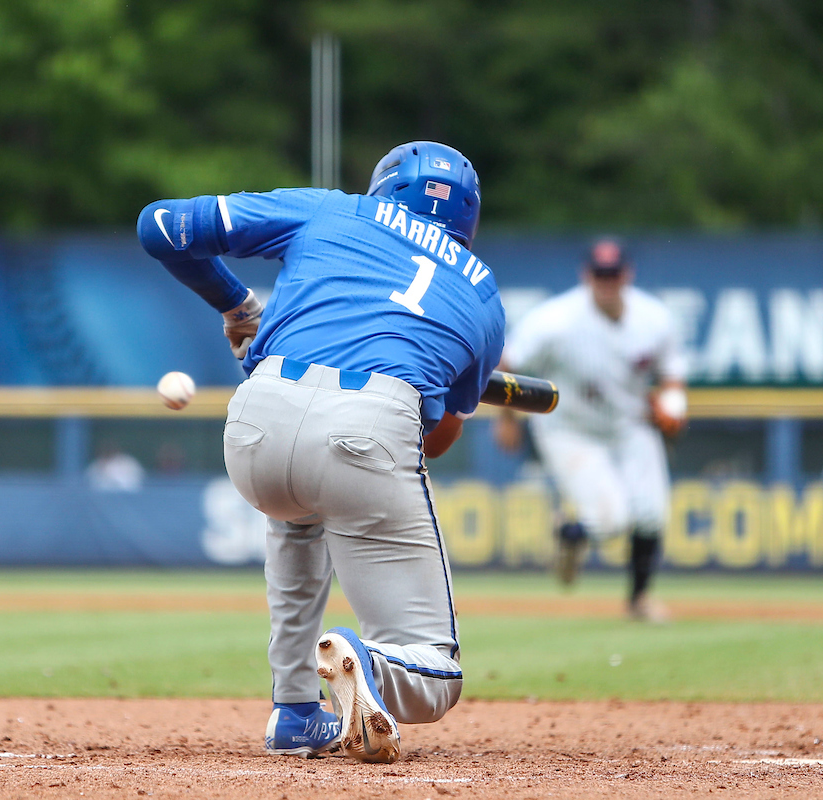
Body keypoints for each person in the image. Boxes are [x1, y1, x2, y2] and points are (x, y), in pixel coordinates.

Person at [136, 142, 505, 763]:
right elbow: (434, 439)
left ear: (383, 188)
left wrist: (237, 305)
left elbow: (162, 228)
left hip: (257, 419)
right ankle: (372, 666)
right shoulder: (483, 296)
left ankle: (296, 708)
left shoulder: (333, 211)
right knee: (436, 674)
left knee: (297, 511)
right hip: (371, 425)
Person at [493, 238, 687, 622]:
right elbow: (508, 361)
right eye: (600, 274)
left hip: (630, 425)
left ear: (627, 275)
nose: (607, 282)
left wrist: (674, 408)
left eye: (613, 274)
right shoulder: (556, 320)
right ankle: (572, 534)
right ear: (587, 276)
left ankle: (639, 599)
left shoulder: (654, 318)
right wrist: (507, 418)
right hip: (569, 428)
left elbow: (672, 376)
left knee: (651, 512)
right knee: (612, 520)